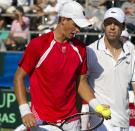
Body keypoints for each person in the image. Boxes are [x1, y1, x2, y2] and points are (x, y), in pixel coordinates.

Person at [13, 1, 111, 131]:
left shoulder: (81, 49)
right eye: (75, 25)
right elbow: (18, 77)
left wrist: (97, 106)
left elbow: (81, 83)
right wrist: (25, 111)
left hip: (72, 121)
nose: (78, 30)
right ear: (63, 20)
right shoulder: (38, 44)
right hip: (42, 121)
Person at [87, 7, 135, 131]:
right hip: (98, 123)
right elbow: (81, 85)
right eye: (108, 23)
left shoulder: (131, 53)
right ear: (103, 25)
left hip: (123, 123)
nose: (112, 27)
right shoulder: (90, 51)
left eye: (116, 24)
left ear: (123, 27)